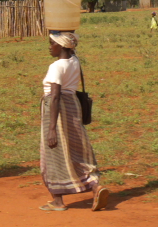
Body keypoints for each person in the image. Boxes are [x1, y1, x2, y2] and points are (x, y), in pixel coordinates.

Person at [40, 31, 108, 211]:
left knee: (53, 152)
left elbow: (55, 96)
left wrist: (52, 128)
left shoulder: (56, 66)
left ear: (61, 46)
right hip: (72, 106)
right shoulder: (74, 61)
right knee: (77, 149)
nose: (50, 47)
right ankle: (95, 186)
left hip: (56, 110)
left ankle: (58, 201)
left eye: (52, 43)